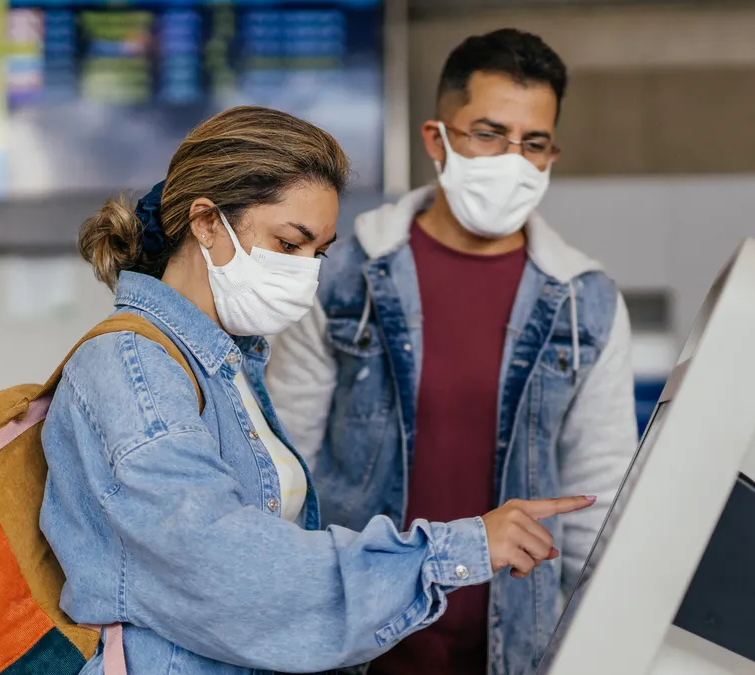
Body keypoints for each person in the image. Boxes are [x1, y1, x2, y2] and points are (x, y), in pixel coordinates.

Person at [39, 105, 596, 675]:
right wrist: (453, 551)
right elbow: (224, 568)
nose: (307, 272)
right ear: (206, 223)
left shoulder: (226, 364)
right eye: (289, 244)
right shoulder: (130, 367)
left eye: (319, 252)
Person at [266, 30, 638, 675]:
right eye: (489, 134)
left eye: (534, 143)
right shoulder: (345, 275)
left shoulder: (586, 302)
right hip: (357, 644)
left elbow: (597, 504)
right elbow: (283, 474)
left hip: (512, 648)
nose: (512, 160)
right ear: (438, 139)